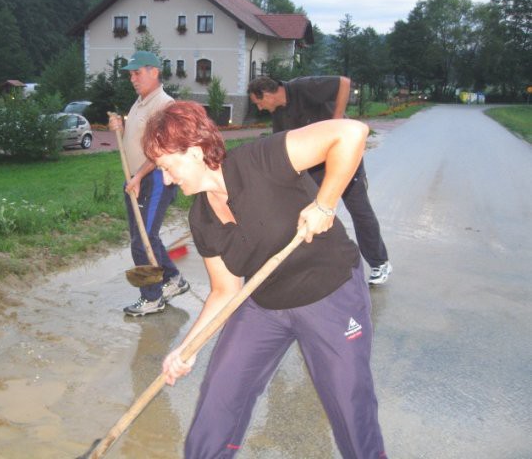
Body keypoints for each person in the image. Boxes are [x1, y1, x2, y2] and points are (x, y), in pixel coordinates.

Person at [143, 101, 388, 458]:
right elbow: (225, 291)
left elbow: (351, 133)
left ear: (194, 152)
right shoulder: (201, 218)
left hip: (329, 293)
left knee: (348, 404)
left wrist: (325, 203)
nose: (166, 179)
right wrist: (186, 348)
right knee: (221, 392)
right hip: (265, 305)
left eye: (167, 167)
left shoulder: (260, 160)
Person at [248, 76, 392, 285]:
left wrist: (336, 120)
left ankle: (380, 262)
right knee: (303, 212)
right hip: (316, 168)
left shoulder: (302, 88)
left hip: (344, 158)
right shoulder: (280, 116)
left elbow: (343, 82)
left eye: (258, 102)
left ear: (268, 94)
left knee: (359, 210)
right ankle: (312, 264)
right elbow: (284, 149)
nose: (259, 108)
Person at [108, 51, 189, 316]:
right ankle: (173, 280)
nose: (132, 78)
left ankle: (152, 297)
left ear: (154, 72)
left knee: (142, 240)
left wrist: (139, 177)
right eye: (130, 74)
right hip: (136, 179)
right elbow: (137, 138)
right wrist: (120, 127)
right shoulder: (141, 102)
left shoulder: (164, 104)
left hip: (153, 179)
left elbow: (161, 149)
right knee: (143, 237)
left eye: (137, 73)